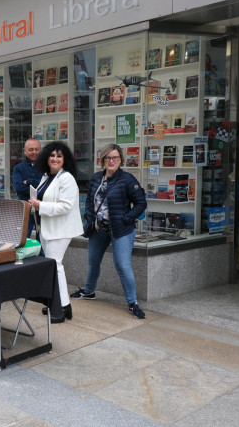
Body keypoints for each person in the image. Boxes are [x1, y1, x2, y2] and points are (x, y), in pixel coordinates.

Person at [71, 144, 148, 319]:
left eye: (115, 158)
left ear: (121, 160)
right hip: (99, 228)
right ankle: (89, 291)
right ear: (103, 160)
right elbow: (90, 202)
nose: (111, 161)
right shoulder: (96, 178)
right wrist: (89, 218)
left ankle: (132, 302)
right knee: (92, 261)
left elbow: (141, 203)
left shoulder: (128, 180)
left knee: (122, 265)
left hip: (121, 229)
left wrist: (126, 218)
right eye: (107, 158)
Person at [30, 142, 83, 323]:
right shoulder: (47, 176)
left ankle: (59, 309)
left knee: (55, 266)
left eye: (59, 156)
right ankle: (65, 306)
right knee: (55, 267)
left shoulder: (67, 178)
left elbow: (66, 206)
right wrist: (35, 204)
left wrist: (40, 205)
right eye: (52, 155)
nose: (55, 158)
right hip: (48, 228)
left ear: (64, 159)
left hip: (61, 229)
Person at [12, 138, 44, 238]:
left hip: (43, 209)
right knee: (23, 240)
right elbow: (19, 188)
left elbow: (47, 187)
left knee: (43, 242)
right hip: (25, 209)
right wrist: (39, 187)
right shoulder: (18, 168)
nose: (34, 152)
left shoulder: (47, 167)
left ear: (40, 150)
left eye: (36, 149)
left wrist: (29, 181)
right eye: (31, 149)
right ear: (25, 151)